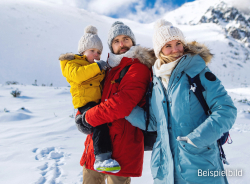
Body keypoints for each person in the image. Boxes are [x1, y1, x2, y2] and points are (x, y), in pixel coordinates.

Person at [125, 19, 237, 184]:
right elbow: (155, 123)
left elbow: (226, 110)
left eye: (178, 43)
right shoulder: (155, 81)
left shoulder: (198, 72)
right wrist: (126, 109)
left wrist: (196, 140)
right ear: (159, 50)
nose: (175, 50)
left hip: (199, 165)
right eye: (168, 46)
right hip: (165, 168)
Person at [77, 21, 156, 184]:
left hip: (122, 151)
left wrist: (88, 118)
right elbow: (91, 95)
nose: (122, 44)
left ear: (132, 41)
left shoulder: (138, 67)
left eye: (126, 39)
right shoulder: (107, 69)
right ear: (110, 46)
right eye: (116, 40)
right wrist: (81, 113)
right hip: (95, 149)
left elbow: (123, 102)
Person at [59, 25, 121, 173]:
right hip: (84, 105)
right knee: (99, 122)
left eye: (99, 52)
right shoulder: (71, 64)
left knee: (103, 125)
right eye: (92, 51)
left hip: (96, 104)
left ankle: (104, 156)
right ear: (83, 51)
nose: (96, 54)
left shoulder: (95, 66)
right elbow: (78, 75)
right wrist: (98, 67)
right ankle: (102, 159)